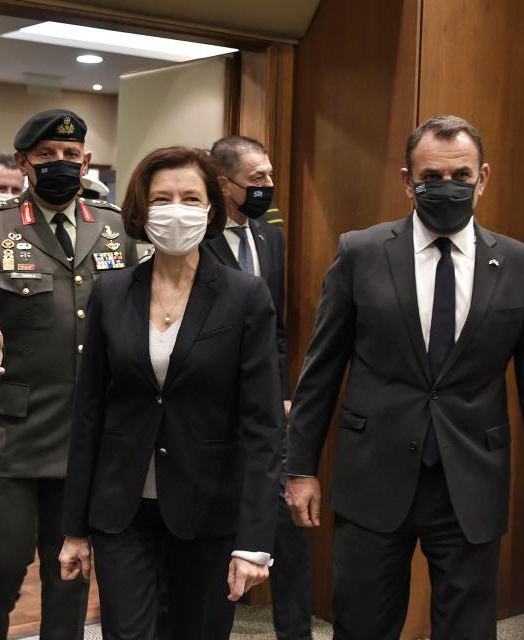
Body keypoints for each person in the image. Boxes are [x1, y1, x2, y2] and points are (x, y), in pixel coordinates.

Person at [285, 115, 524, 639]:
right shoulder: (361, 252)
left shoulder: (521, 265)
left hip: (470, 482)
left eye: (461, 176)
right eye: (432, 178)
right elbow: (321, 370)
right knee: (361, 626)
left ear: (482, 178)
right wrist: (300, 467)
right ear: (406, 181)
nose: (448, 188)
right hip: (372, 477)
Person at [59, 146, 284, 639]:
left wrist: (255, 540)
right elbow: (90, 412)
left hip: (208, 508)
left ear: (210, 208)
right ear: (142, 210)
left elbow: (264, 426)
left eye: (190, 196)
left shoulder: (245, 296)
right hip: (123, 510)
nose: (176, 208)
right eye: (162, 198)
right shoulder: (111, 292)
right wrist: (74, 528)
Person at [0, 108, 138, 640]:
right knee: (4, 561)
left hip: (84, 432)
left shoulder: (115, 226)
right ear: (23, 163)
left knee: (71, 565)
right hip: (8, 431)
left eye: (70, 156)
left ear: (86, 161)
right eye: (47, 156)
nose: (61, 164)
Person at [205, 135, 312, 640]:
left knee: (290, 533)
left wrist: (285, 388)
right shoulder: (196, 237)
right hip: (213, 410)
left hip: (269, 406)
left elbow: (278, 323)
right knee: (218, 536)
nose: (269, 187)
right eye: (258, 179)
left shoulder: (271, 235)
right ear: (224, 184)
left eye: (270, 175)